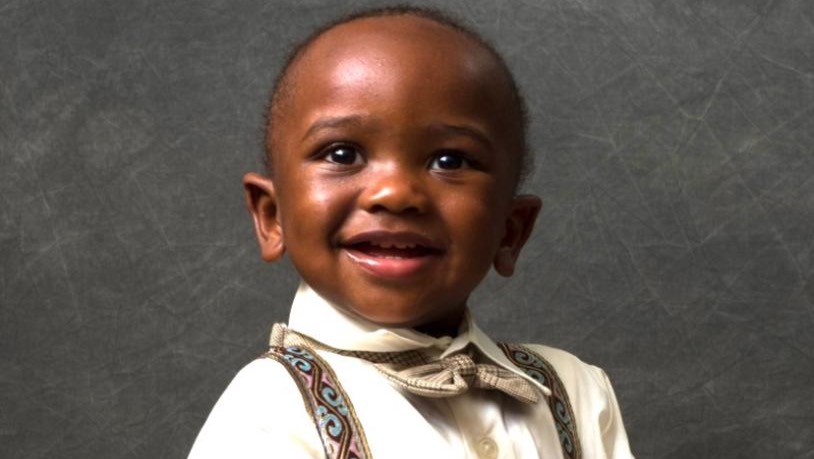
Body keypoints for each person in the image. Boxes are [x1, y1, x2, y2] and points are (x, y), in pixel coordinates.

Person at [188, 6, 634, 459]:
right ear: (272, 216)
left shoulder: (573, 391)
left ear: (510, 231)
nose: (396, 193)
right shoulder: (268, 413)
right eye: (342, 154)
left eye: (449, 161)